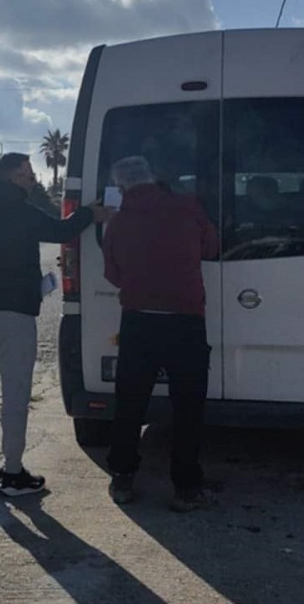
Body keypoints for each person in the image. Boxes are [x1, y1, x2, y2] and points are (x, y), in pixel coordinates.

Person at [0, 152, 112, 497]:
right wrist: (89, 213)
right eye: (27, 176)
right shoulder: (22, 211)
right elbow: (60, 230)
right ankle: (13, 474)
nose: (32, 181)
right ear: (12, 178)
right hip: (14, 315)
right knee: (15, 395)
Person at [102, 156, 219, 511]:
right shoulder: (188, 207)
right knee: (188, 406)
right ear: (152, 177)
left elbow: (113, 274)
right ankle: (186, 488)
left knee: (129, 403)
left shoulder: (118, 222)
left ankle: (122, 478)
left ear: (121, 187)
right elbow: (211, 248)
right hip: (185, 320)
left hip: (138, 321)